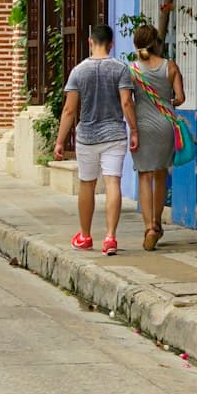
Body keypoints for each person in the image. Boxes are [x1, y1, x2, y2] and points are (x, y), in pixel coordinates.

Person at [53, 24, 138, 256]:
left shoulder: (78, 71)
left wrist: (60, 141)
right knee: (113, 183)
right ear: (111, 44)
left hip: (87, 137)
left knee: (87, 184)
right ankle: (110, 237)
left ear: (90, 42)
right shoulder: (120, 69)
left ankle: (85, 235)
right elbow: (126, 103)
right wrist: (134, 130)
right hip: (114, 135)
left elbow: (69, 110)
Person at [128, 23, 184, 251]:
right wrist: (166, 103)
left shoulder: (132, 70)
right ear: (156, 43)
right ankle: (158, 223)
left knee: (144, 175)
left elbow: (127, 101)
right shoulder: (170, 67)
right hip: (165, 126)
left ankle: (149, 226)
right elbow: (180, 98)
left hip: (142, 127)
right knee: (160, 175)